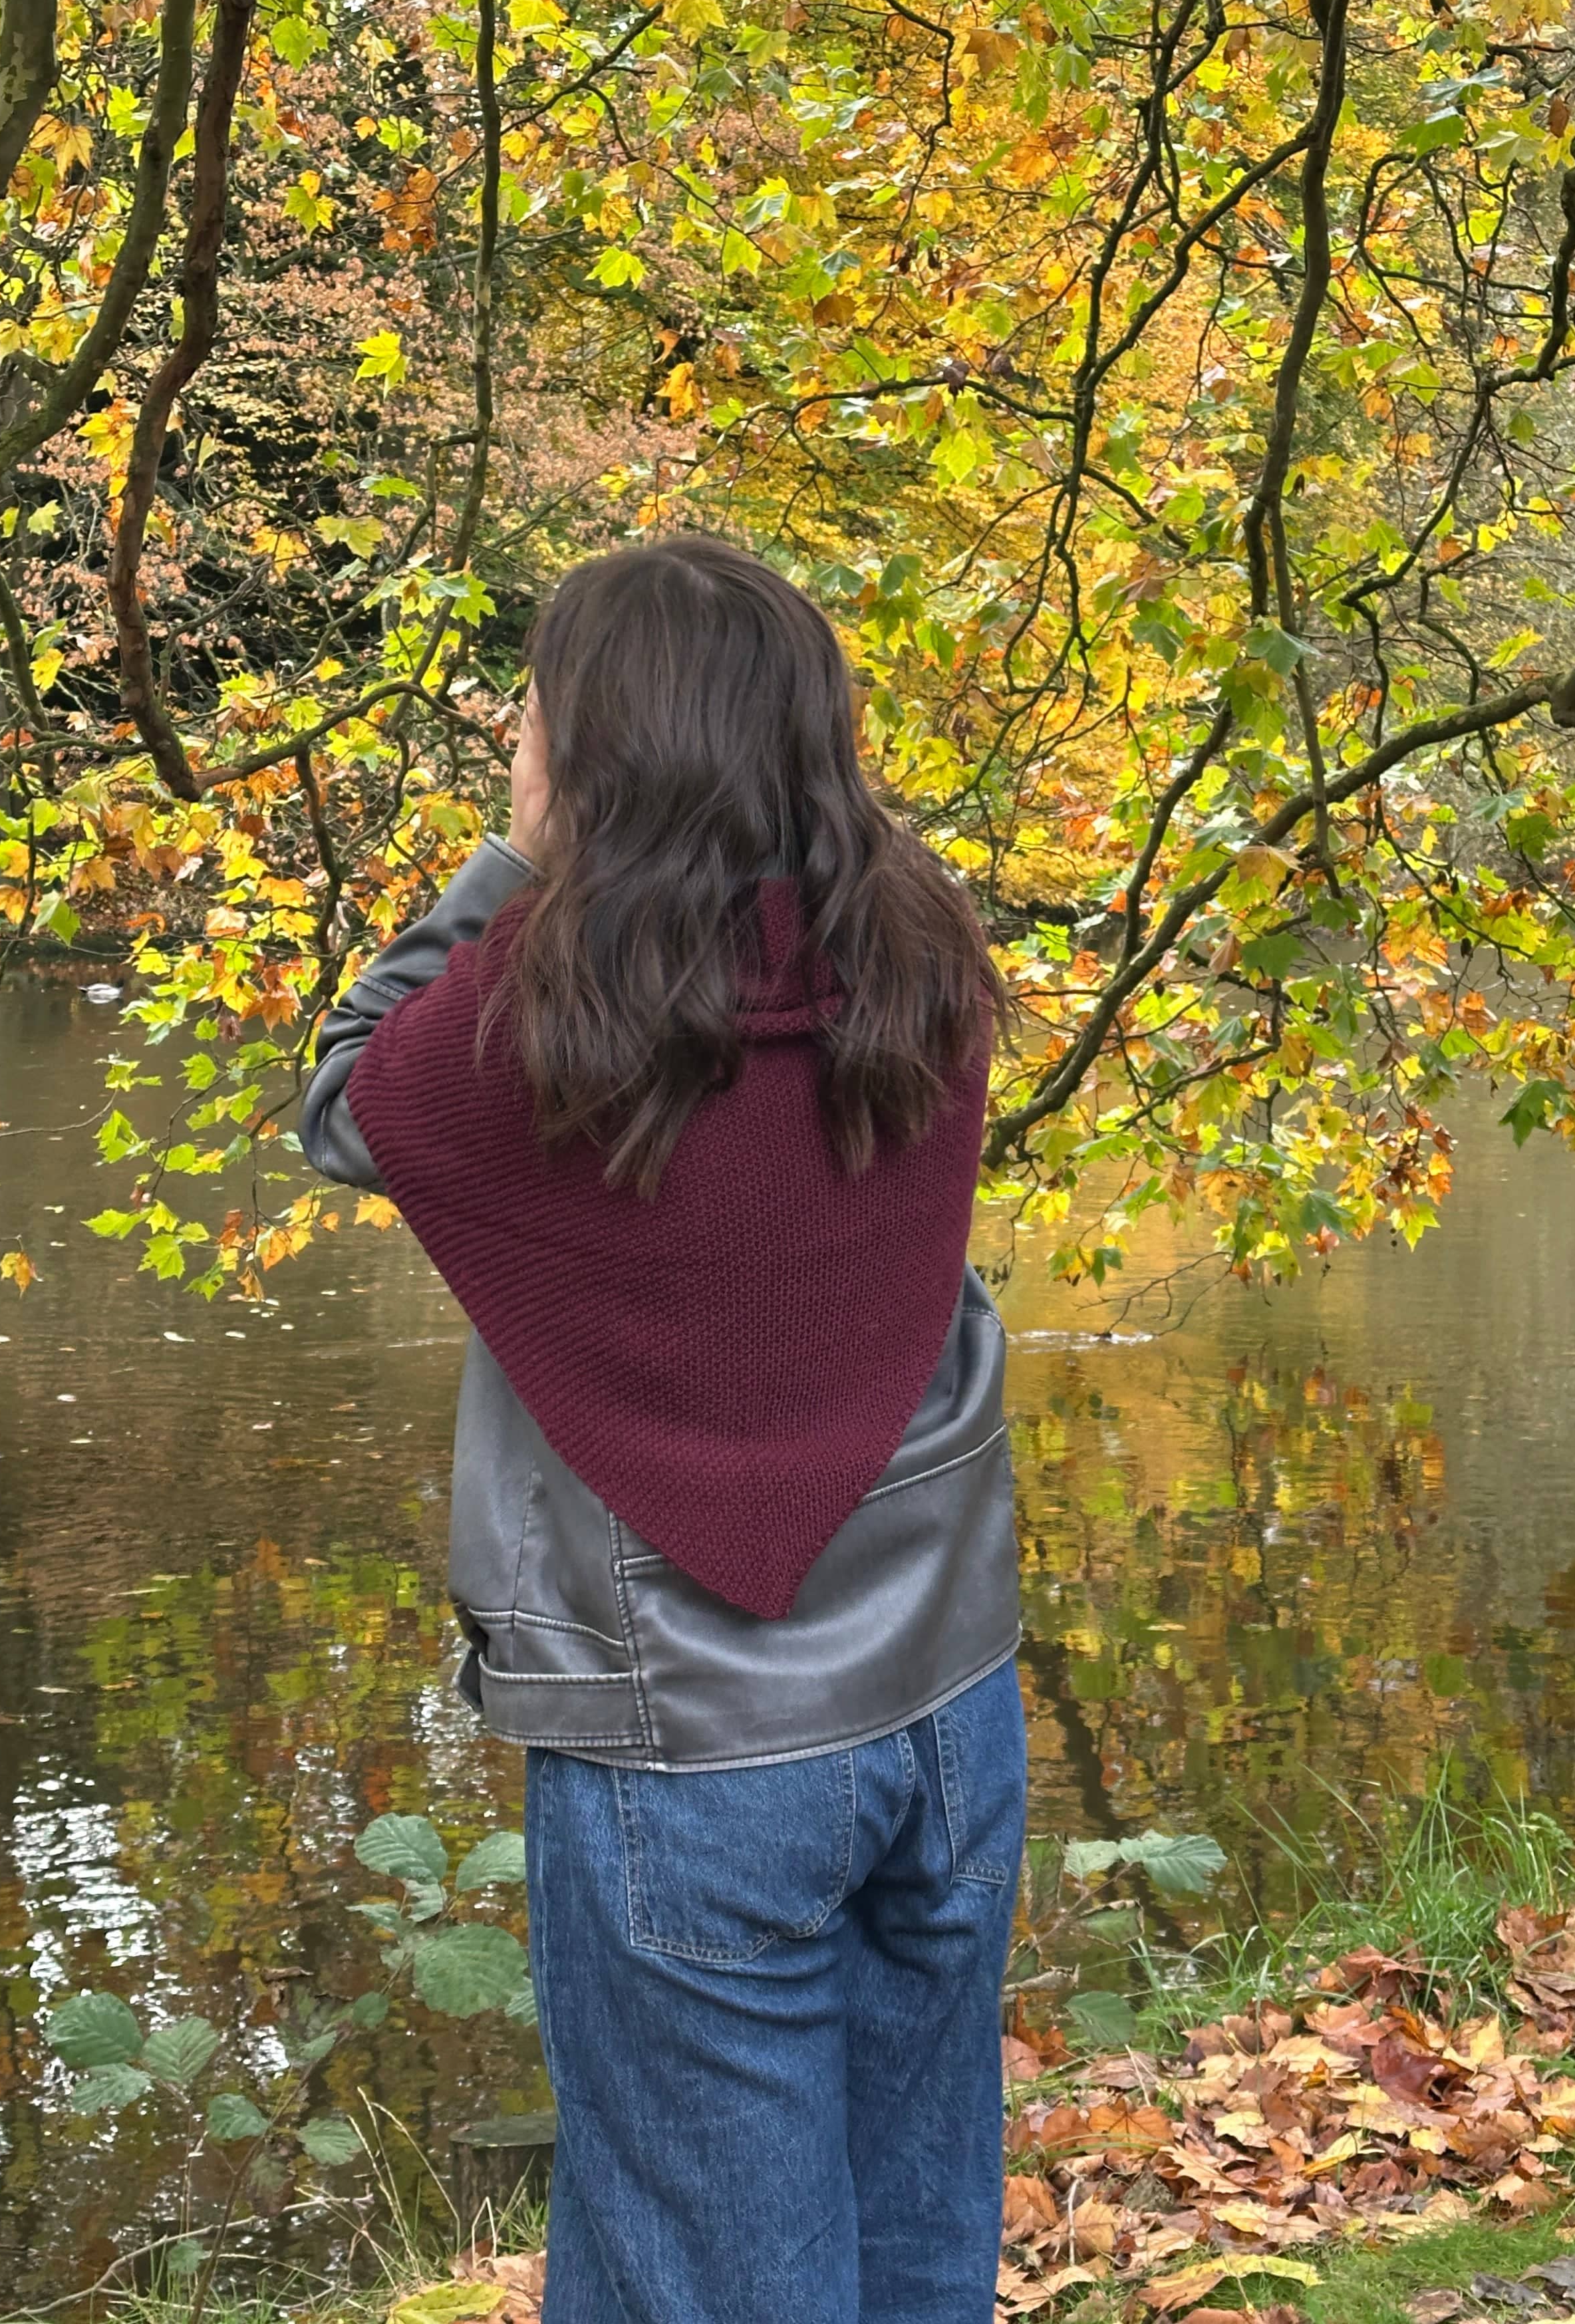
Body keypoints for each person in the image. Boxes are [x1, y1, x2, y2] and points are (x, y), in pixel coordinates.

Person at [300, 537, 1026, 2324]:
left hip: (696, 1756)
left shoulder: (549, 1029)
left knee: (717, 2275)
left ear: (585, 759)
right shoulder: (924, 968)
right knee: (914, 2229)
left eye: (541, 721)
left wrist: (509, 862)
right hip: (950, 1708)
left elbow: (346, 1097)